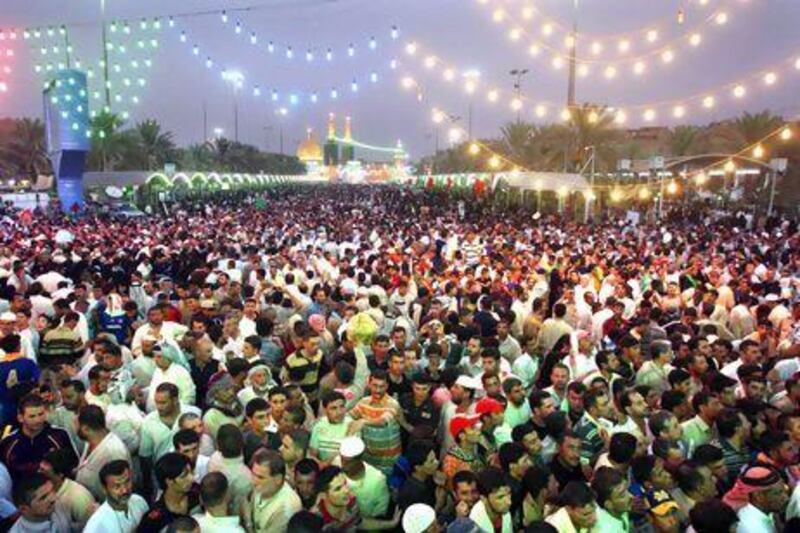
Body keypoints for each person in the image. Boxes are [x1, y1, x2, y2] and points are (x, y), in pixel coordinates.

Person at [0, 393, 78, 483]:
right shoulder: (8, 442)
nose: (37, 420)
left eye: (41, 414)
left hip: (56, 492)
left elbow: (73, 467)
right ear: (20, 418)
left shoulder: (60, 435)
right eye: (32, 416)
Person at [75, 404, 132, 500]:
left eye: (76, 424)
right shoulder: (90, 441)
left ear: (85, 429)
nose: (74, 427)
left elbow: (121, 487)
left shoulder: (115, 451)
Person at [240, 448, 302, 532]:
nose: (253, 481)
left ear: (278, 479)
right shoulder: (263, 488)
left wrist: (248, 524)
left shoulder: (286, 508)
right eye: (253, 474)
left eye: (260, 477)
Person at [138, 452, 200, 532]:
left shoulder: (197, 492)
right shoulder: (155, 519)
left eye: (191, 472)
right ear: (169, 481)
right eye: (184, 476)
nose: (191, 478)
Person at [83, 460, 150, 533]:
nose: (124, 490)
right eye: (117, 486)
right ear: (104, 489)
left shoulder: (139, 501)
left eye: (127, 482)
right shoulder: (96, 524)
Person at [337, 435, 391, 519]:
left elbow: (379, 513)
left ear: (360, 459)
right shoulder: (335, 471)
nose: (343, 464)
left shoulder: (378, 479)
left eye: (347, 461)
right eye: (342, 459)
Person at [207, 424, 252, 514]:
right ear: (243, 442)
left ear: (218, 445)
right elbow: (239, 510)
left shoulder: (213, 459)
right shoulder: (246, 477)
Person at [591, 466, 632, 531]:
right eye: (622, 495)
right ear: (609, 505)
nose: (631, 496)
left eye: (626, 489)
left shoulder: (620, 509)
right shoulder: (606, 530)